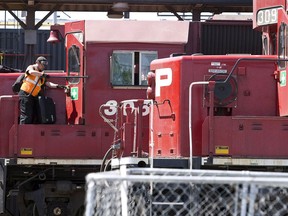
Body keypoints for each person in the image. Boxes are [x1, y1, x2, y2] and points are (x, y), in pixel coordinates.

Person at [18, 56, 66, 124]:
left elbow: (47, 83)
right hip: (25, 94)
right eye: (43, 64)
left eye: (45, 64)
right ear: (37, 62)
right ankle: (23, 131)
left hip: (33, 96)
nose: (44, 66)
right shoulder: (32, 67)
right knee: (26, 115)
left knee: (34, 116)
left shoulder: (42, 74)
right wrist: (42, 74)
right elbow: (31, 72)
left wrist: (58, 86)